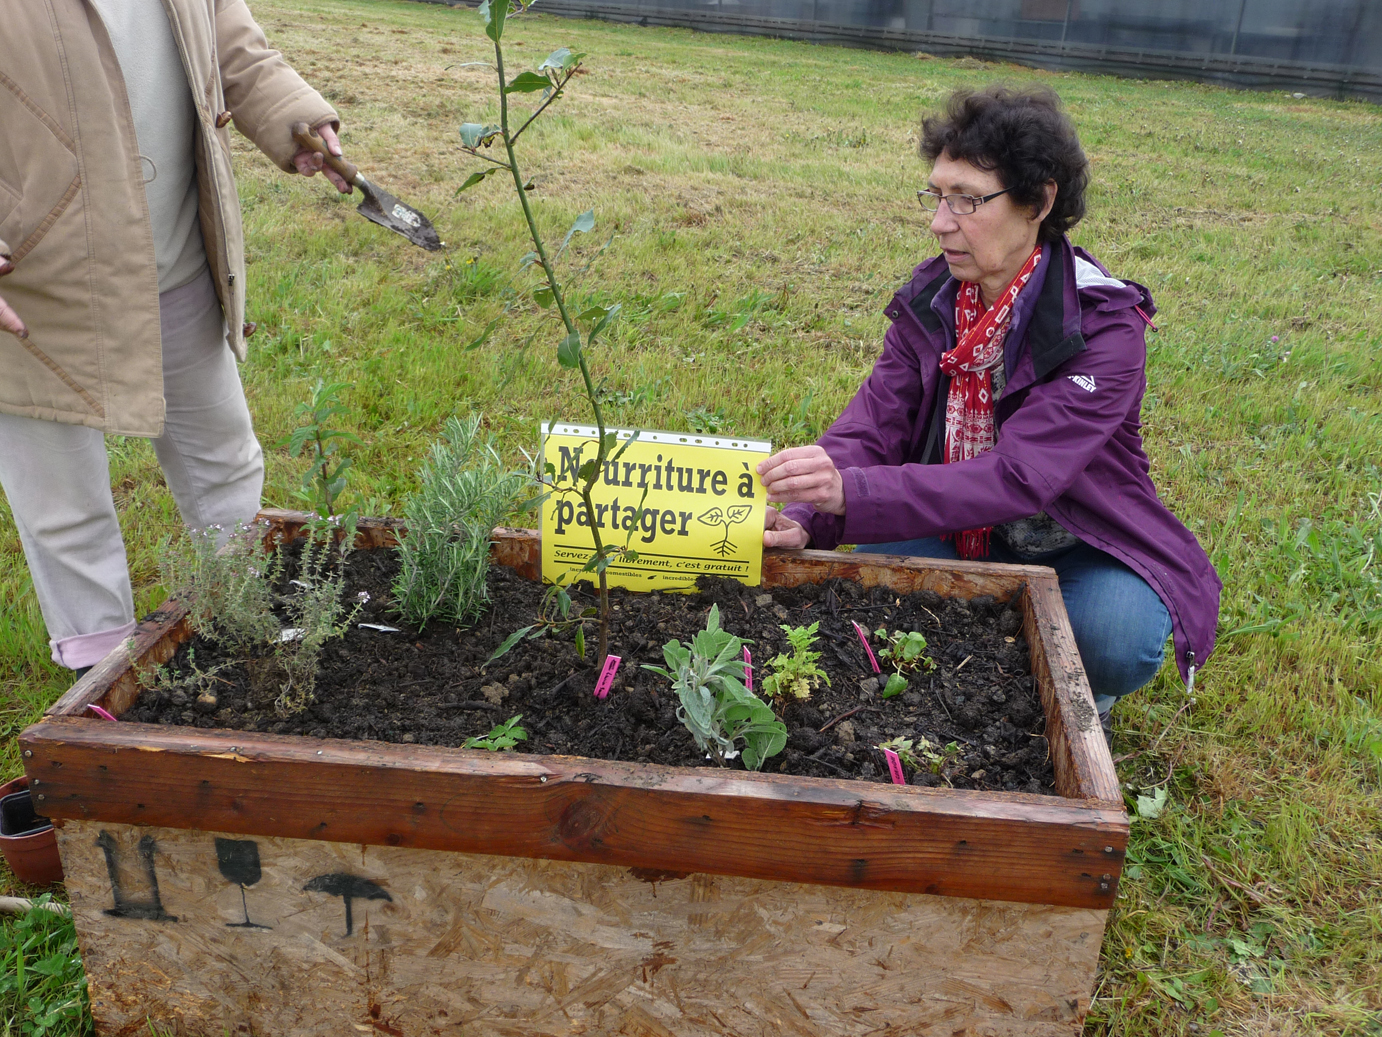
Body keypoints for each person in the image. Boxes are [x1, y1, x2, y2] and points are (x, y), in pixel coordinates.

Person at [757, 85, 1220, 740]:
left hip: (1074, 542)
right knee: (867, 600)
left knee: (1116, 637)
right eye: (936, 196)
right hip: (950, 527)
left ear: (1039, 201)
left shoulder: (1105, 326)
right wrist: (805, 513)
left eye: (968, 200)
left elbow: (1018, 477)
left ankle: (1085, 692)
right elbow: (874, 423)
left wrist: (850, 491)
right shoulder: (932, 300)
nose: (939, 222)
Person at [0, 0, 352, 675]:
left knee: (225, 460)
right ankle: (101, 689)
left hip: (176, 254)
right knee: (64, 508)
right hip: (34, 285)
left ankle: (243, 619)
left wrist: (298, 116)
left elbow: (227, 36)